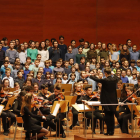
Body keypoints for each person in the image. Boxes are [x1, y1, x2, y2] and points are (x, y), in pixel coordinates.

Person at [88, 67, 118, 135]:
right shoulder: (114, 79)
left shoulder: (105, 80)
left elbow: (97, 79)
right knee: (112, 116)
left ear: (106, 73)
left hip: (106, 100)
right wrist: (114, 74)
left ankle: (108, 131)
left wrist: (89, 75)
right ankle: (112, 131)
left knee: (107, 116)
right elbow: (117, 78)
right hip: (113, 100)